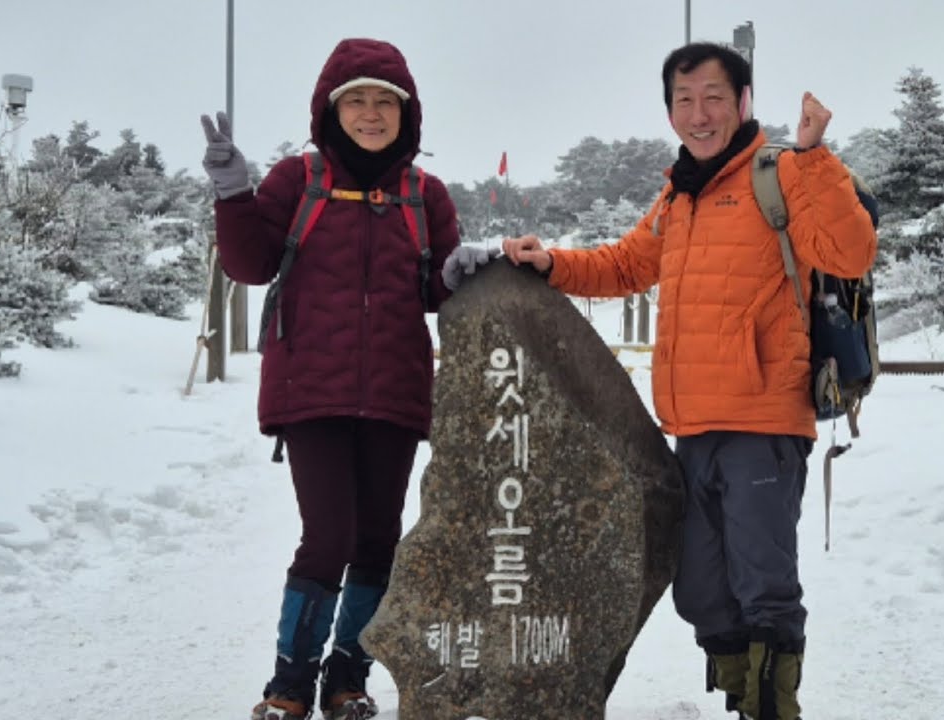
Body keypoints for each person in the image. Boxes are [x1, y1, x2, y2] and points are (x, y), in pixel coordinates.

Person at [500, 42, 877, 720]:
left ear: (742, 102)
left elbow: (850, 251)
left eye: (713, 98)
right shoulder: (678, 195)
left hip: (764, 423)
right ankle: (740, 692)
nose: (699, 114)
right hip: (693, 427)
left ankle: (768, 709)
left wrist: (817, 156)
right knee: (700, 590)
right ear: (671, 109)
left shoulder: (784, 173)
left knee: (763, 586)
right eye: (684, 100)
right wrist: (549, 263)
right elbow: (622, 266)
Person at [200, 37, 492, 720]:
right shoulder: (295, 182)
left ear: (405, 112)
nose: (369, 113)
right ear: (330, 110)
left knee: (377, 540)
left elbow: (440, 290)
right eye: (355, 100)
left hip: (394, 391)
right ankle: (290, 681)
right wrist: (232, 193)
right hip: (312, 390)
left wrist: (469, 272)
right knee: (327, 535)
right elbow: (249, 264)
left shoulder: (425, 195)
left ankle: (348, 678)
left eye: (382, 102)